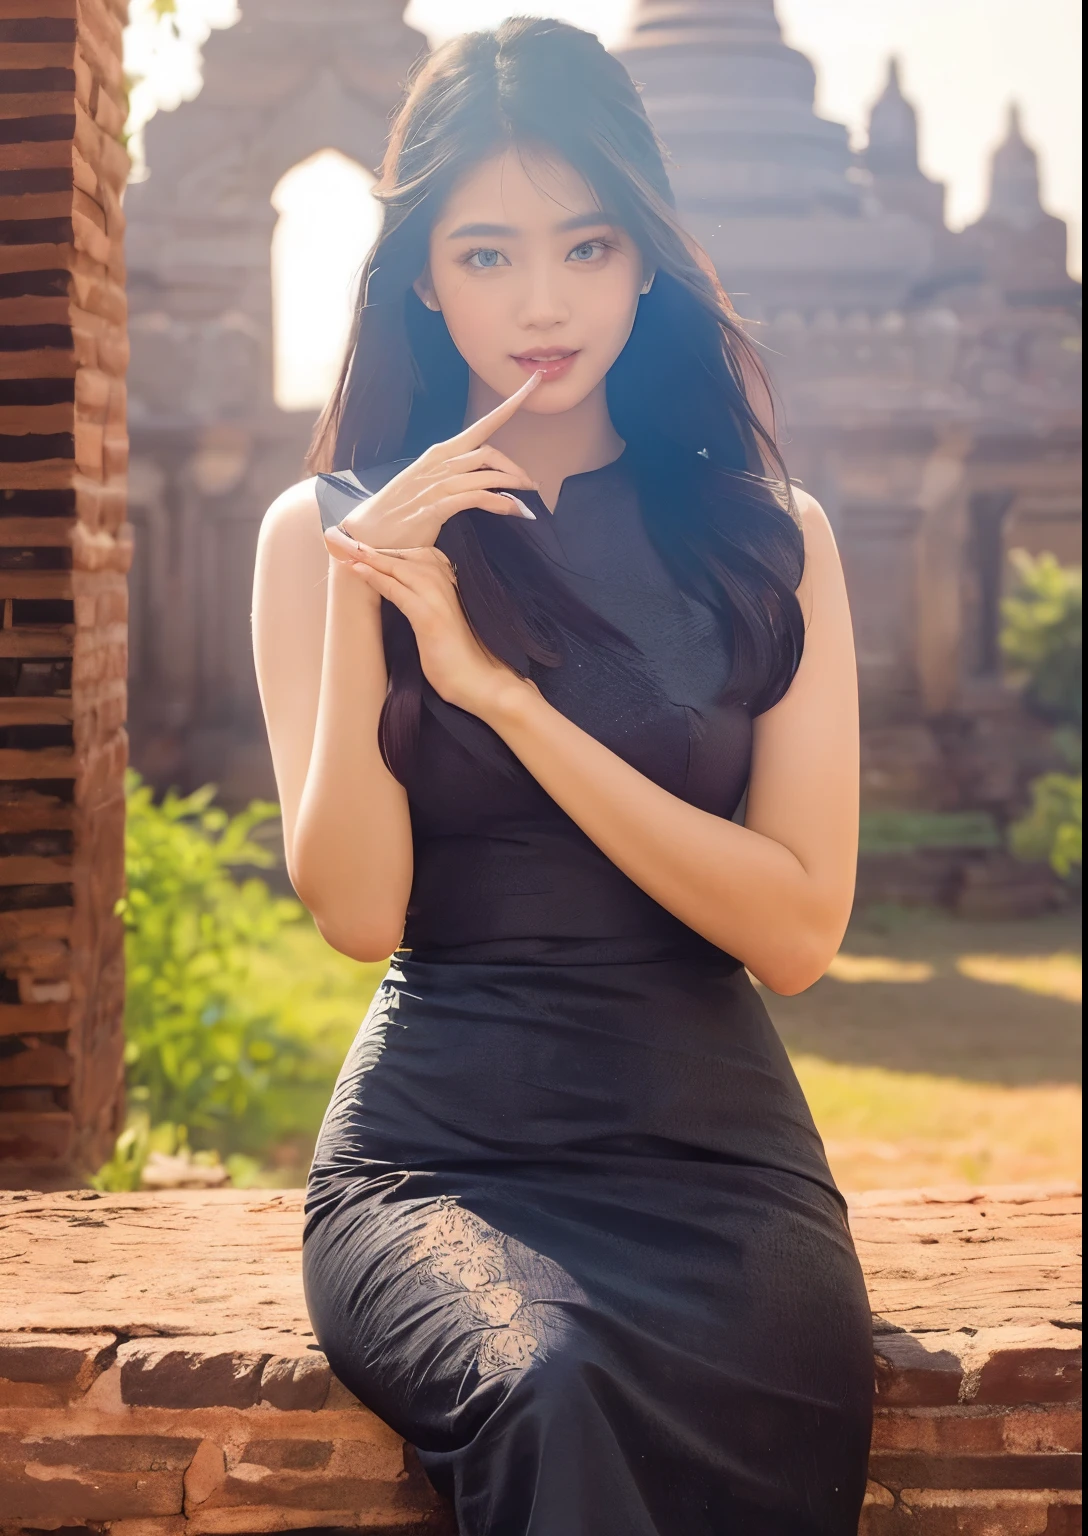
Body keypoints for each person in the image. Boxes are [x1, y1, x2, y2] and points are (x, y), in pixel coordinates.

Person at [251, 17, 873, 1536]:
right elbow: (355, 909)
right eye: (486, 255)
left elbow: (794, 934)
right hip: (441, 1159)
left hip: (721, 1160)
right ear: (419, 274)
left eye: (587, 246)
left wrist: (506, 705)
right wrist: (363, 584)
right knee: (546, 1384)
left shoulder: (769, 537)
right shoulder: (317, 535)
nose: (543, 300)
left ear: (648, 257)